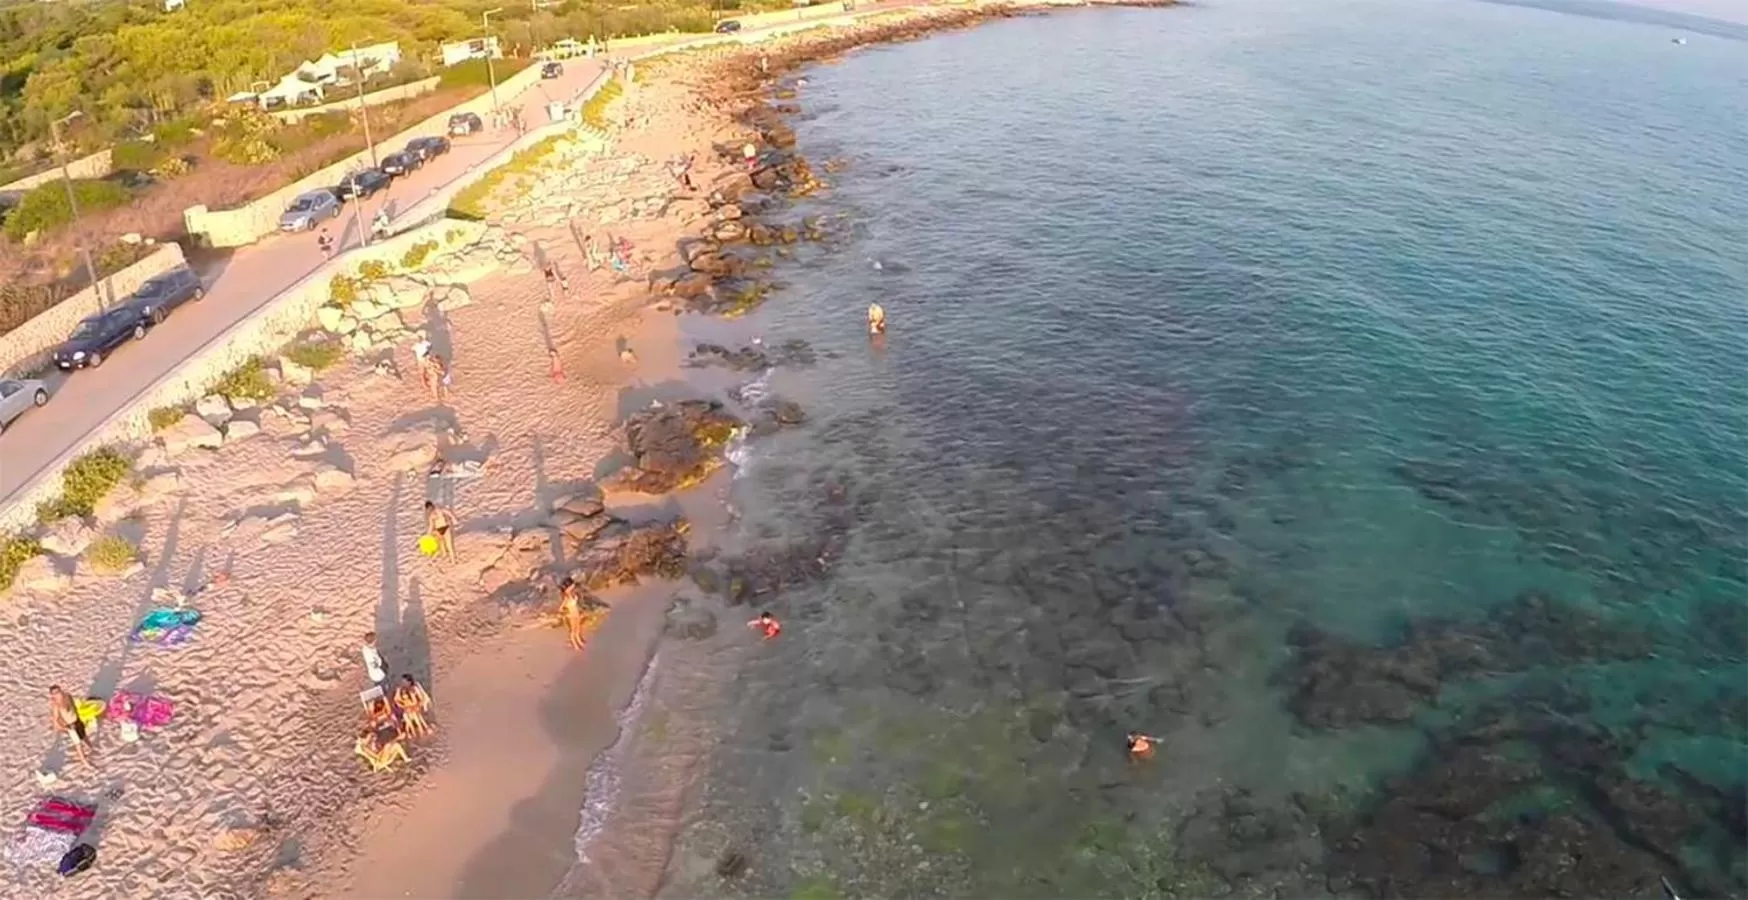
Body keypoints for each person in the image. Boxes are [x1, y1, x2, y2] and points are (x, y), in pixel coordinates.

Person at [48, 685, 93, 767]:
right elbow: (56, 720)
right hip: (70, 726)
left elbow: (74, 707)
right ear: (53, 695)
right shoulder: (56, 705)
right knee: (78, 744)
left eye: (59, 691)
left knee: (84, 735)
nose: (59, 693)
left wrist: (79, 717)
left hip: (77, 720)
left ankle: (89, 747)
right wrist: (66, 728)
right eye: (56, 693)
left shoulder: (68, 696)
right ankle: (84, 761)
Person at [393, 674, 435, 738]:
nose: (403, 683)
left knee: (415, 715)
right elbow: (396, 700)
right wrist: (404, 706)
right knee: (408, 716)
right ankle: (413, 732)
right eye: (402, 682)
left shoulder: (414, 689)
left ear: (409, 682)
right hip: (406, 709)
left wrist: (415, 706)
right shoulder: (399, 689)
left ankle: (422, 730)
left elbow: (421, 699)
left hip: (416, 708)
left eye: (404, 682)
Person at [558, 577, 588, 651]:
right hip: (571, 615)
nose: (573, 586)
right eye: (571, 586)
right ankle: (574, 644)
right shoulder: (566, 598)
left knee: (578, 628)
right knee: (573, 630)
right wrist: (565, 613)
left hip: (576, 613)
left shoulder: (573, 594)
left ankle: (579, 641)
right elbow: (560, 608)